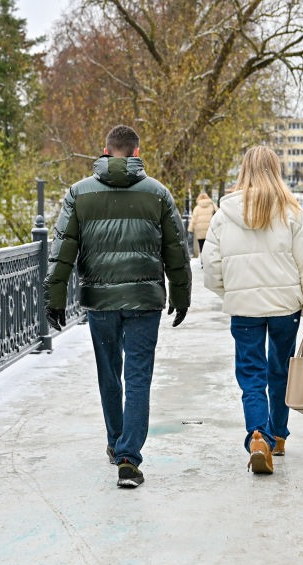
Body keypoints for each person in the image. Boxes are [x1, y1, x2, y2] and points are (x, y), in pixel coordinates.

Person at [44, 124, 192, 489]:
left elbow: (62, 249)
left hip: (101, 301)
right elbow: (176, 250)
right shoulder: (157, 193)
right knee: (138, 377)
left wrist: (54, 297)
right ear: (137, 153)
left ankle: (115, 442)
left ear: (106, 151)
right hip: (145, 300)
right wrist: (181, 295)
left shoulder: (79, 193)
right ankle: (129, 458)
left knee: (109, 373)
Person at [201, 145, 303, 475]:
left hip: (245, 310)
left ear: (244, 171)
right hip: (285, 308)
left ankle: (258, 436)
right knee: (280, 369)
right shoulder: (292, 212)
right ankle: (279, 436)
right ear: (276, 170)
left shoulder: (224, 214)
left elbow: (210, 266)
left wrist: (231, 292)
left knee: (251, 373)